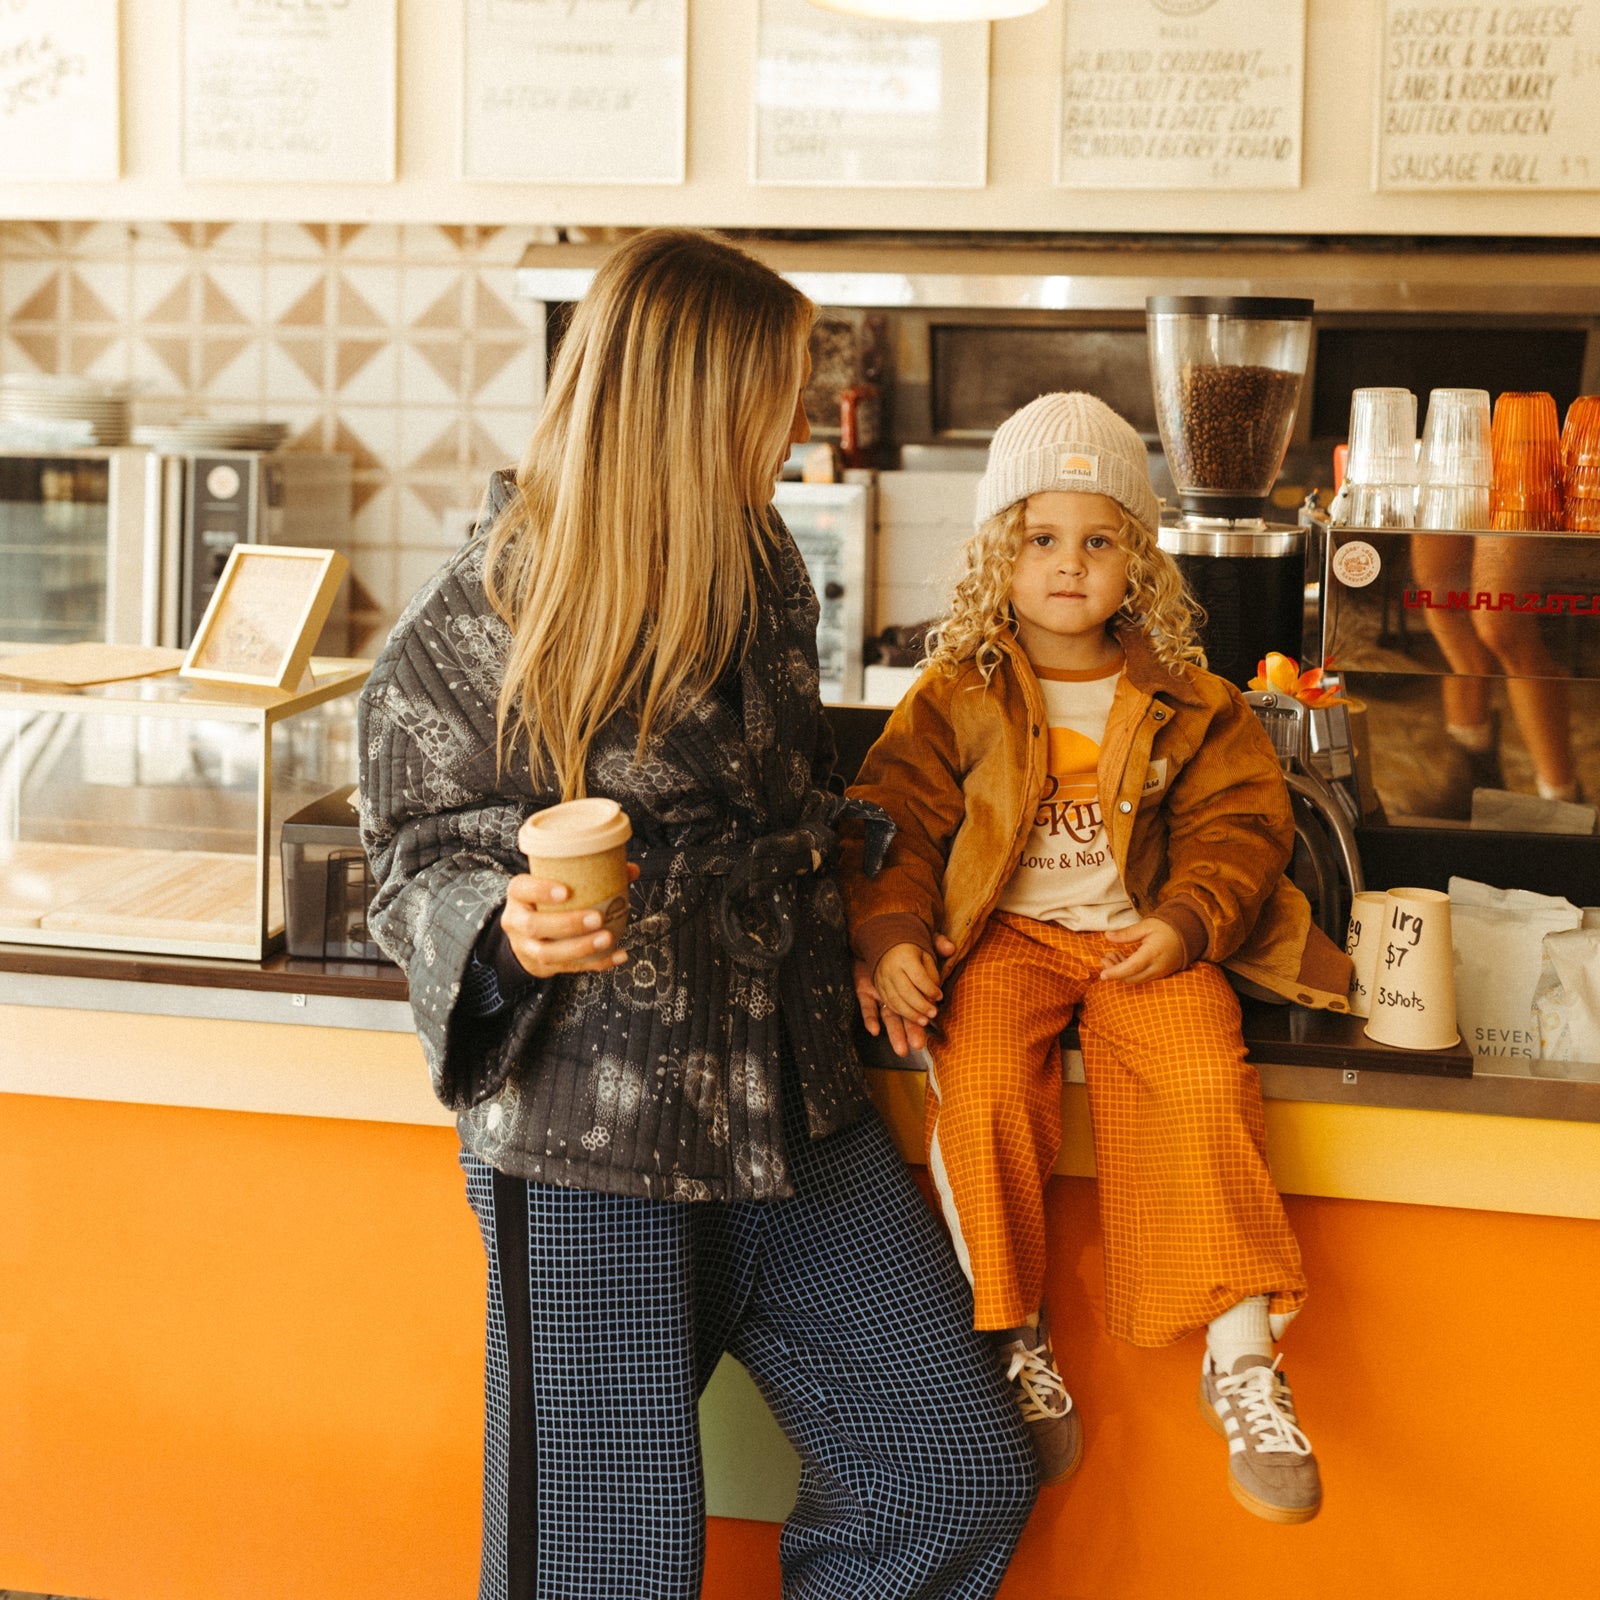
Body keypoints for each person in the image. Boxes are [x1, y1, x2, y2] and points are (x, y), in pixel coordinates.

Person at [358, 228, 1036, 1600]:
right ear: (688, 400)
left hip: (797, 1099)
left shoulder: (762, 553)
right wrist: (503, 928)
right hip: (594, 1132)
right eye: (776, 389)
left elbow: (801, 795)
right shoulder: (490, 606)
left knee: (952, 1465)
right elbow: (411, 854)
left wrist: (879, 892)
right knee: (598, 1567)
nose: (798, 417)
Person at [842, 392, 1352, 1526]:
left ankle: (1242, 1355)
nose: (1068, 566)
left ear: (1139, 563)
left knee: (1205, 1077)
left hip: (1138, 937)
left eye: (1098, 539)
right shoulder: (954, 696)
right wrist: (886, 936)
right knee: (974, 1088)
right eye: (1039, 539)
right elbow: (889, 823)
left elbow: (1241, 827)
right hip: (1005, 940)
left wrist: (1183, 921)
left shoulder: (1188, 699)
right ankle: (1011, 1333)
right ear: (997, 554)